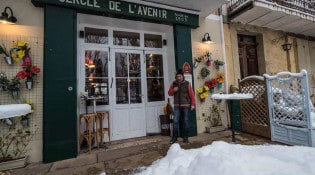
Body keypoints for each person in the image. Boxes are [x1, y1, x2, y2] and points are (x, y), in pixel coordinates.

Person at [168, 69, 195, 144]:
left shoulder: (187, 84)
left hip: (185, 105)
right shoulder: (173, 84)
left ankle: (185, 138)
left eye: (180, 76)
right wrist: (174, 90)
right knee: (175, 121)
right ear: (176, 77)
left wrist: (193, 104)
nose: (179, 77)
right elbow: (169, 93)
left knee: (185, 121)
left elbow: (192, 95)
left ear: (182, 76)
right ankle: (174, 138)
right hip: (177, 106)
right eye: (177, 76)